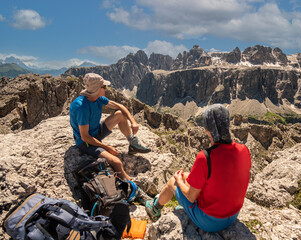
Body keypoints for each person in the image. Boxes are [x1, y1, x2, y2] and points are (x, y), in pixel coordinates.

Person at [145, 104, 251, 232]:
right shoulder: (244, 150)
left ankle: (155, 208)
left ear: (207, 130)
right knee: (188, 175)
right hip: (233, 215)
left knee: (174, 181)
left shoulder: (205, 157)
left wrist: (179, 180)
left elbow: (190, 197)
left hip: (210, 221)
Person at [70, 73, 151, 181]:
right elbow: (85, 137)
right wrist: (107, 147)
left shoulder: (97, 98)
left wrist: (133, 121)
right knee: (117, 162)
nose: (106, 89)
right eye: (104, 87)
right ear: (97, 89)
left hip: (95, 132)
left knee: (119, 114)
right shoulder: (82, 107)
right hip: (85, 143)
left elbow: (120, 107)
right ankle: (133, 189)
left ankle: (132, 143)